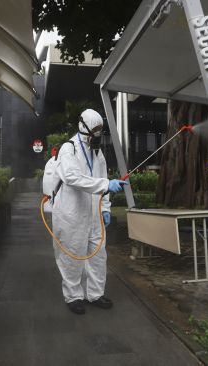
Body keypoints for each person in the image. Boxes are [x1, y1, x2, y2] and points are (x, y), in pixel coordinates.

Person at [52, 109, 127, 315]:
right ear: (83, 127)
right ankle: (73, 296)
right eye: (95, 130)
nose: (97, 134)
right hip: (72, 214)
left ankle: (94, 294)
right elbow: (72, 178)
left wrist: (105, 208)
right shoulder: (69, 149)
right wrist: (105, 184)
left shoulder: (97, 152)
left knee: (98, 257)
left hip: (94, 215)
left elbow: (104, 183)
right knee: (73, 256)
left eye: (100, 130)